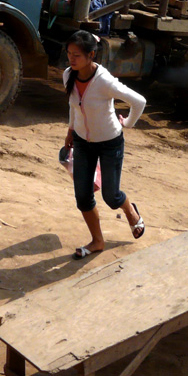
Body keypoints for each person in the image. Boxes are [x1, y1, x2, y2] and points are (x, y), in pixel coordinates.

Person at [63, 30, 146, 259]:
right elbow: (73, 105)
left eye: (77, 55)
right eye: (69, 53)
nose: (71, 59)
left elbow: (139, 101)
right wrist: (71, 130)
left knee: (111, 196)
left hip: (110, 143)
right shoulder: (68, 75)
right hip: (82, 142)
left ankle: (130, 211)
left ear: (91, 55)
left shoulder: (104, 81)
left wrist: (128, 123)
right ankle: (97, 241)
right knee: (82, 196)